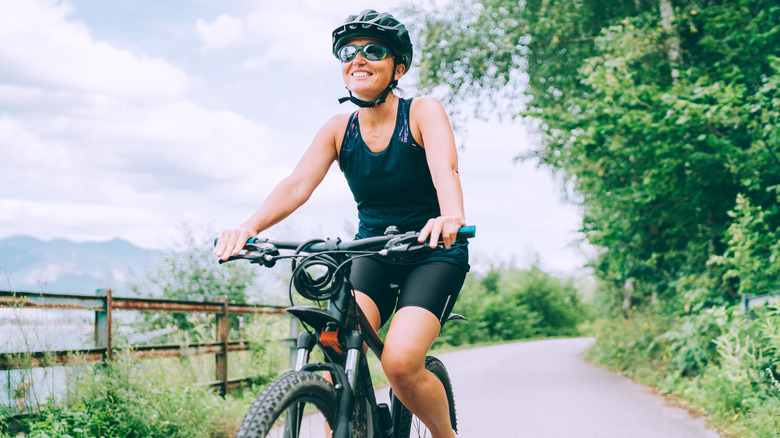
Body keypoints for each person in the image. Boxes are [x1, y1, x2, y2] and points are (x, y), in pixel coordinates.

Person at [214, 9, 468, 438]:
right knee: (335, 347)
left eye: (374, 51)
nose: (359, 59)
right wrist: (249, 227)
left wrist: (450, 216)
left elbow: (446, 169)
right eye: (348, 52)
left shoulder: (422, 111)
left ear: (397, 67)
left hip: (433, 251)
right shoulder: (339, 128)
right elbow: (297, 185)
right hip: (372, 251)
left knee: (400, 362)